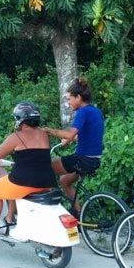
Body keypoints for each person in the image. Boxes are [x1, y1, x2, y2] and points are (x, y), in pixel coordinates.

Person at [0, 101, 57, 236]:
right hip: (46, 183)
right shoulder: (43, 134)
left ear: (20, 120)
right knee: (9, 182)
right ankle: (9, 216)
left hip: (24, 183)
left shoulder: (16, 137)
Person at [43, 77, 105, 218]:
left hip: (82, 159)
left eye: (69, 99)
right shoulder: (95, 111)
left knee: (47, 167)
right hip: (94, 160)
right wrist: (69, 140)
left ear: (78, 97)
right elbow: (86, 135)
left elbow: (71, 134)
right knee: (65, 181)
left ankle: (51, 203)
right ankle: (77, 214)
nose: (68, 103)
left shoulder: (83, 112)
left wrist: (49, 130)